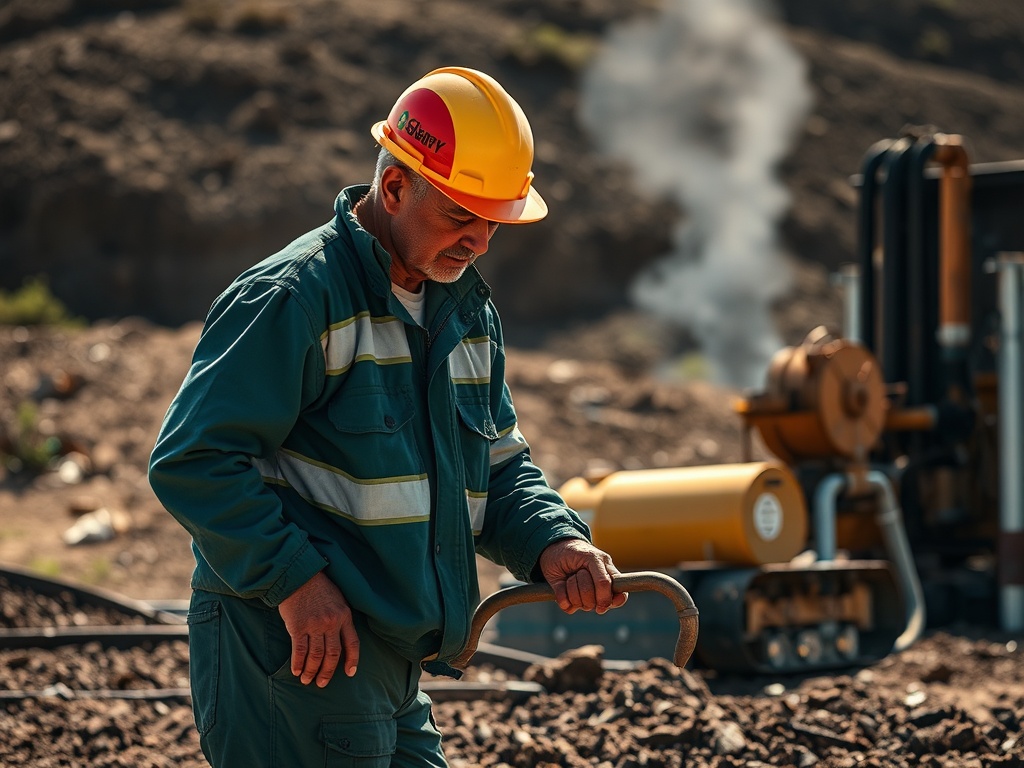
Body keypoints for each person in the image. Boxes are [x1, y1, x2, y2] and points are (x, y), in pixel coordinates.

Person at [149, 66, 627, 768]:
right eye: (461, 215)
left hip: (391, 661)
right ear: (395, 187)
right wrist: (295, 582)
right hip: (293, 654)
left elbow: (496, 466)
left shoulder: (465, 312)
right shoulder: (297, 298)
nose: (480, 242)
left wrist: (554, 541)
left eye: (493, 221)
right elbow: (193, 462)